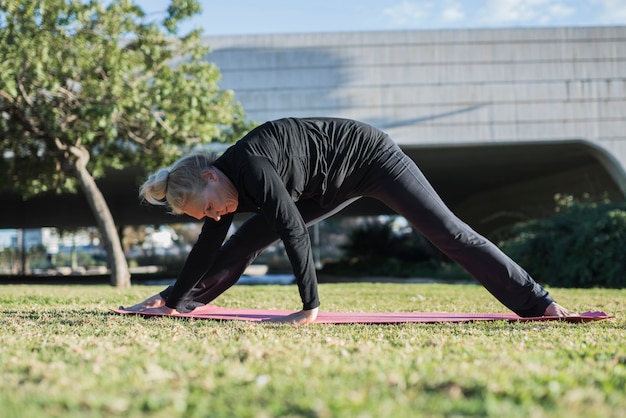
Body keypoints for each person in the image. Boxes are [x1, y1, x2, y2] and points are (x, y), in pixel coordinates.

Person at [122, 117, 574, 323]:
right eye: (206, 215)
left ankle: (538, 302)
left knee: (448, 233)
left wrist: (308, 306)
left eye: (208, 207)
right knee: (239, 242)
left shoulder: (253, 170)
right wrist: (170, 297)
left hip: (372, 157)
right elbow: (209, 246)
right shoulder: (223, 188)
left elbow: (293, 231)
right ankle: (181, 306)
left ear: (208, 175)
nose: (215, 215)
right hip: (327, 184)